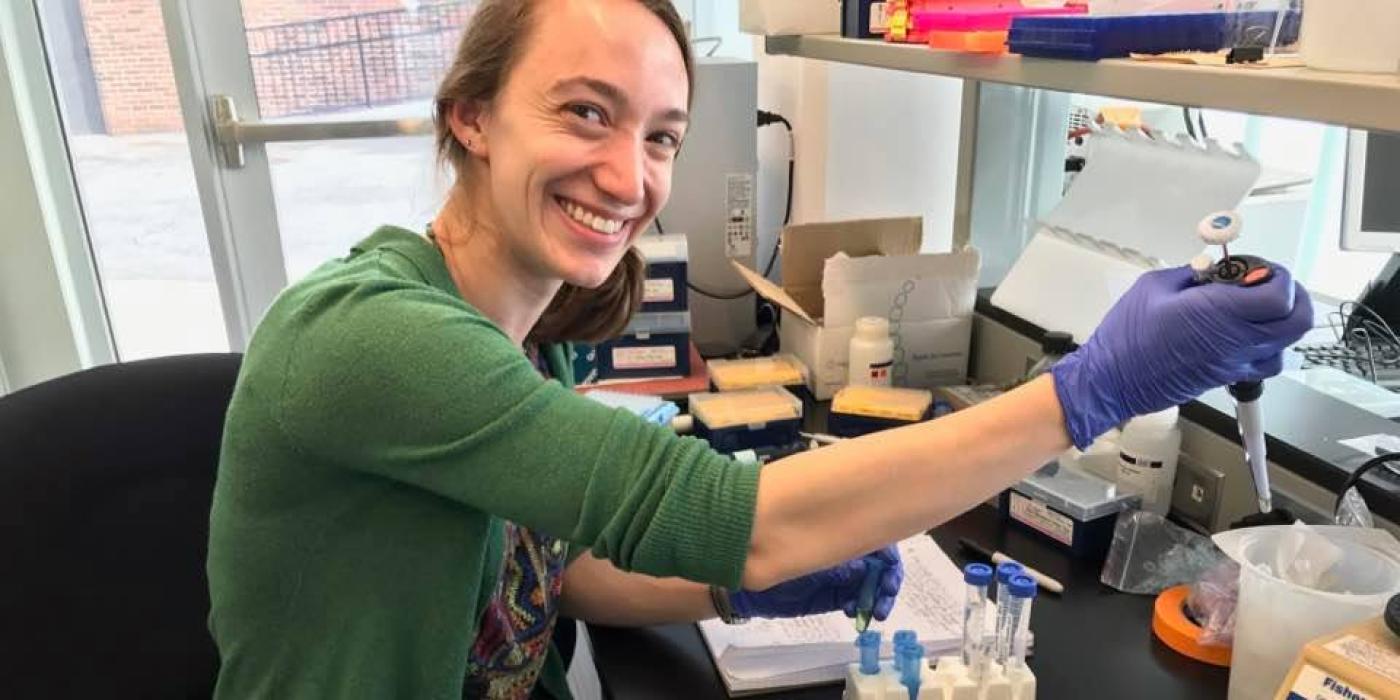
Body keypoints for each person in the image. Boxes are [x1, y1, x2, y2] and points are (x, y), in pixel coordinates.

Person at [204, 0, 1313, 698]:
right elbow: (750, 520)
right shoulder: (371, 335)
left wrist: (728, 597)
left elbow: (561, 572)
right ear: (472, 116)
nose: (628, 176)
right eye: (583, 113)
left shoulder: (513, 335)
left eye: (658, 137)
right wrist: (1088, 390)